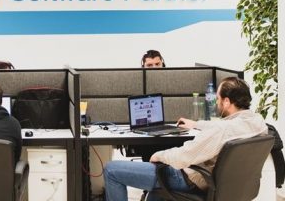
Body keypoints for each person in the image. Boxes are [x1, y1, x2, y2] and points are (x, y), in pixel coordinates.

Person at [104, 76, 267, 201]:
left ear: (226, 101)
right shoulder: (258, 123)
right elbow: (225, 127)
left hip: (188, 179)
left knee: (111, 170)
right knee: (156, 192)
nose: (216, 102)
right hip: (225, 186)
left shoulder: (221, 131)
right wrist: (196, 124)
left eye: (217, 99)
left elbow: (182, 158)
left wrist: (158, 155)